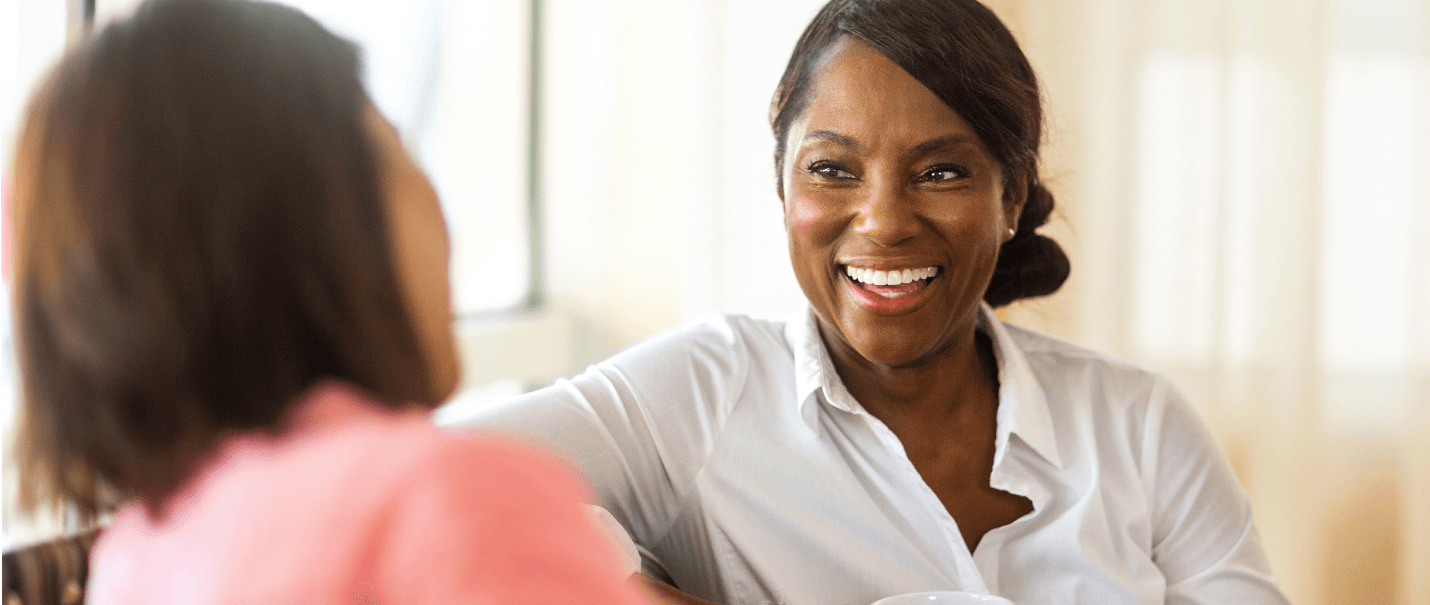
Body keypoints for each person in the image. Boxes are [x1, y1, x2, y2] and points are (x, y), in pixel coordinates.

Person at [445, 0, 1291, 603]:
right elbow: (416, 487)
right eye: (833, 169)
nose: (882, 222)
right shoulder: (707, 392)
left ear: (1010, 196)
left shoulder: (1136, 423)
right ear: (782, 189)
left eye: (942, 171)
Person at [7, 1, 646, 602]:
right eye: (395, 148)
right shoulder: (450, 506)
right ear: (315, 222)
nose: (442, 215)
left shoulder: (136, 557)